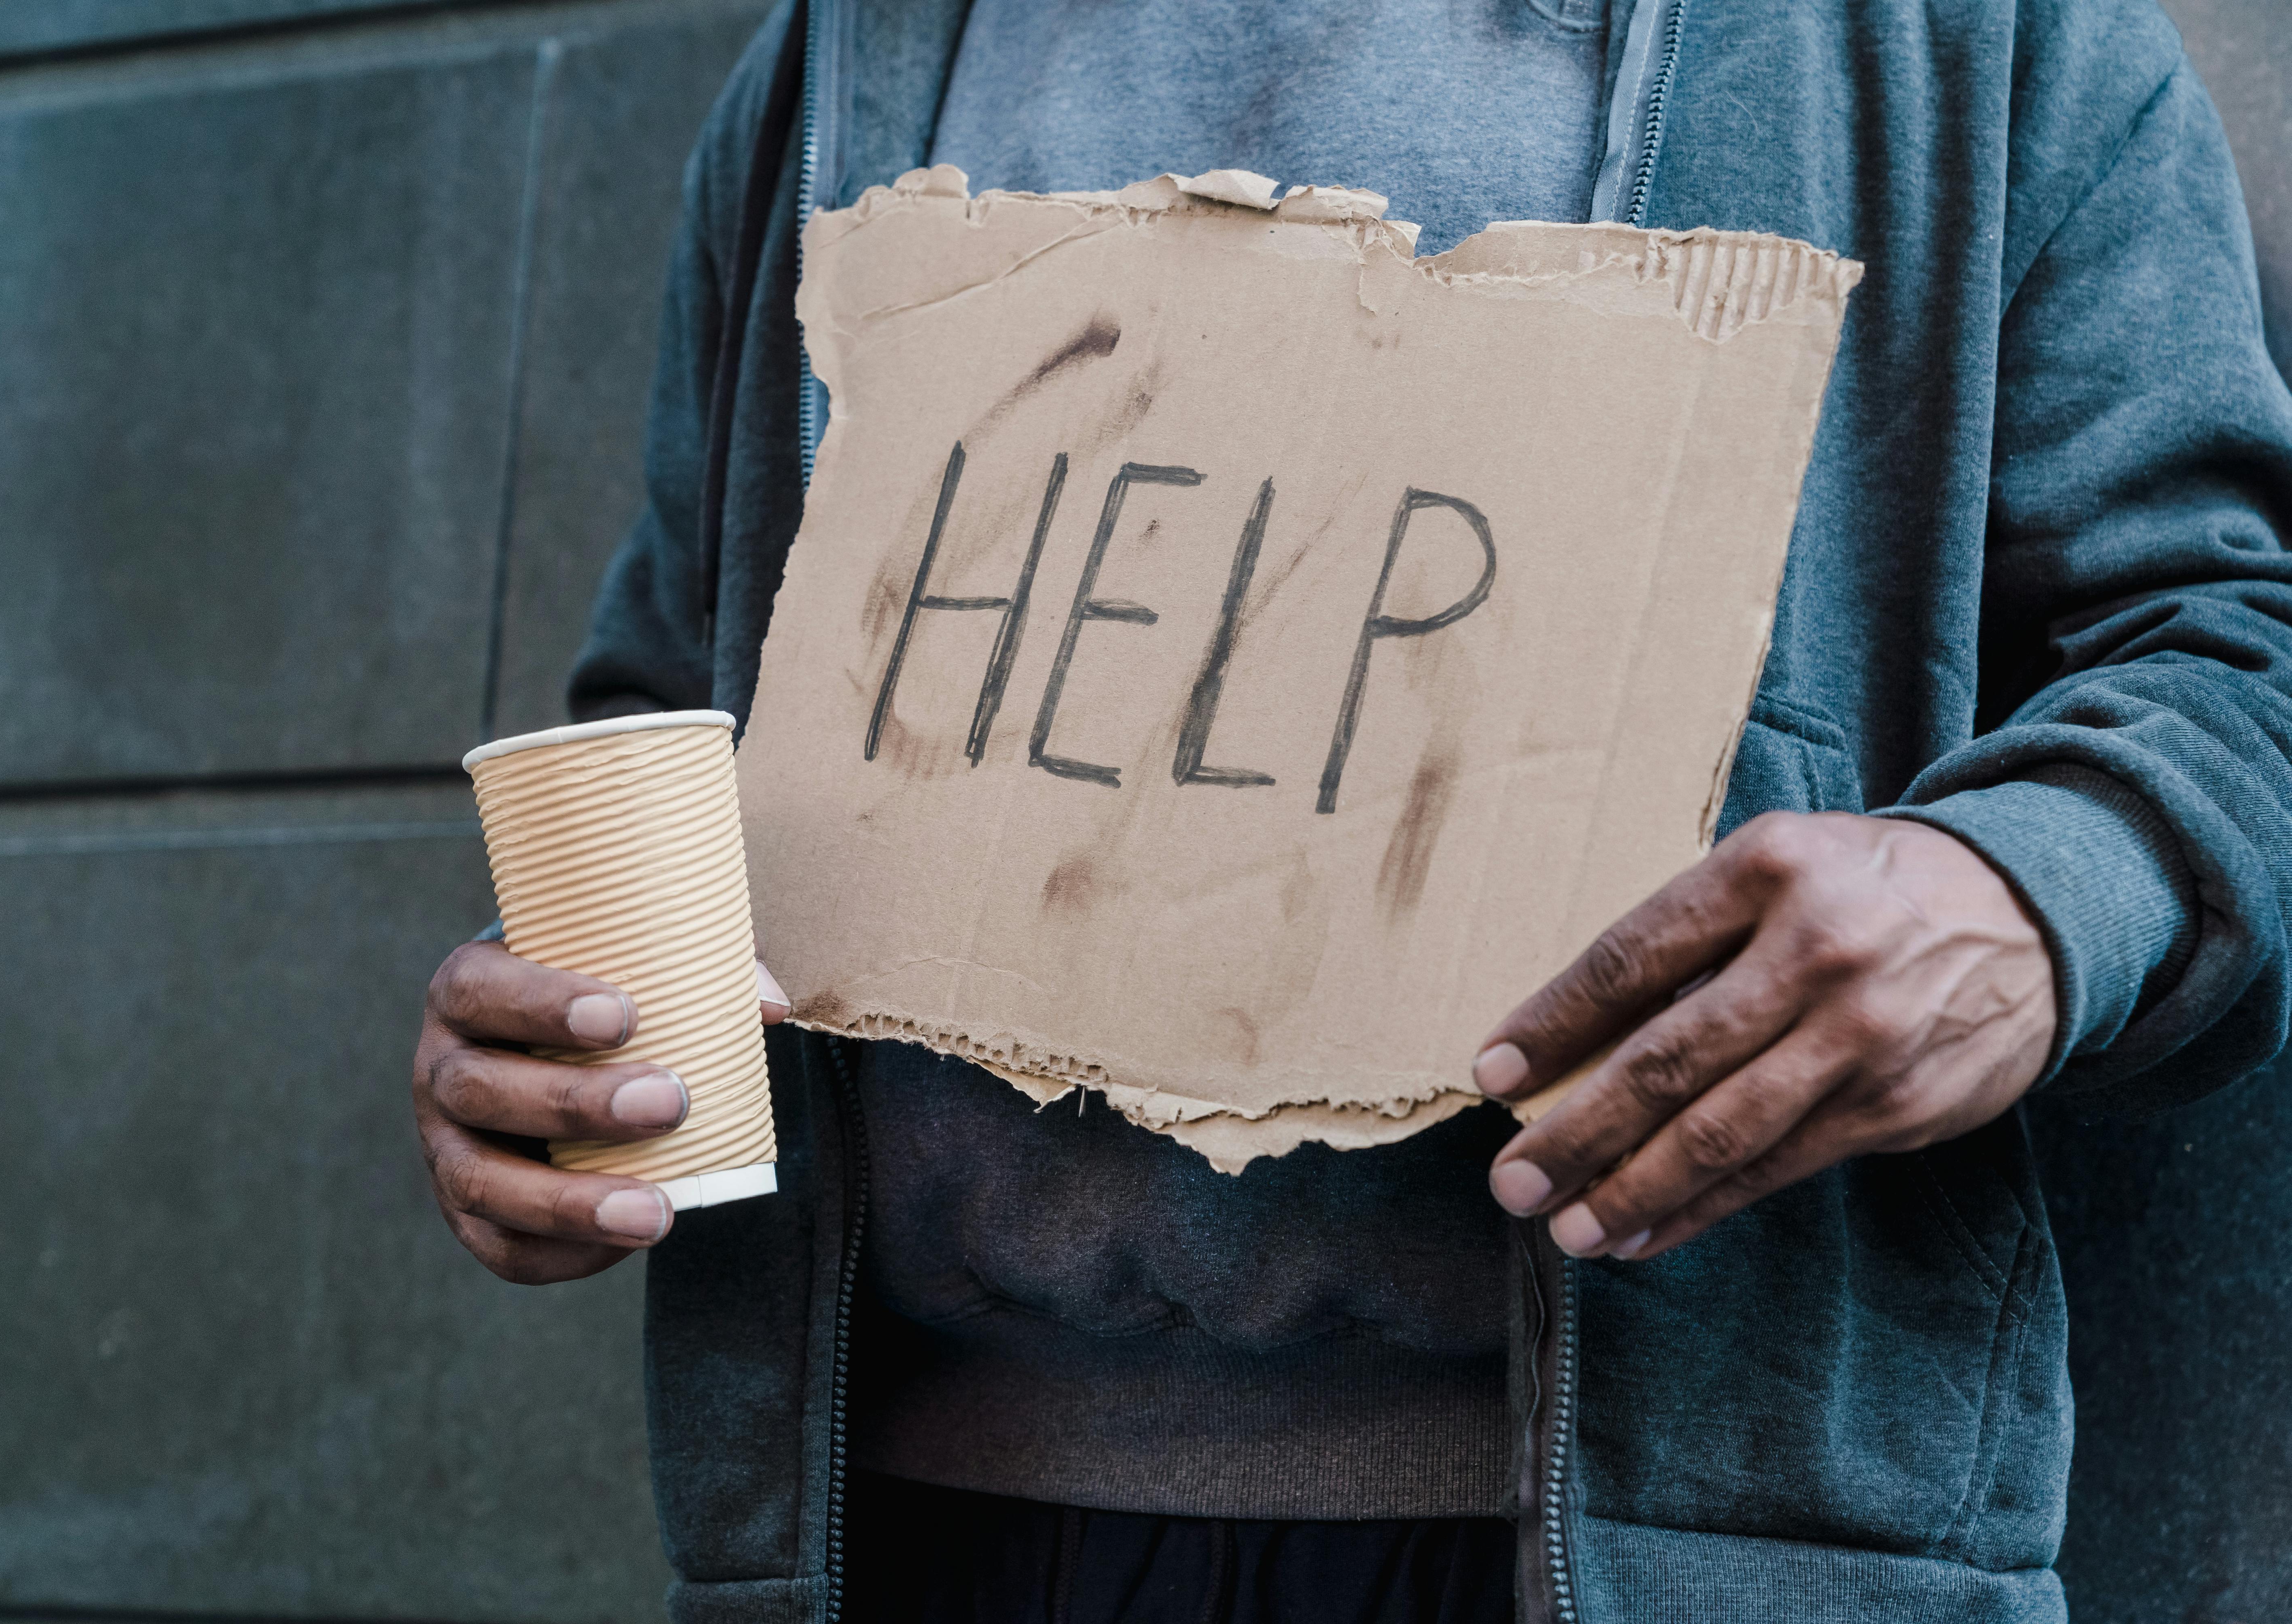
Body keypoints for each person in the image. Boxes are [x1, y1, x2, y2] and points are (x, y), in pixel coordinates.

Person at [408, 0, 2292, 1618]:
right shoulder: (851, 54)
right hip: (901, 1527)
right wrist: (554, 1054)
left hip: (1673, 1548)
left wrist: (2029, 899)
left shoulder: (1959, 38)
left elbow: (2237, 655)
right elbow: (670, 720)